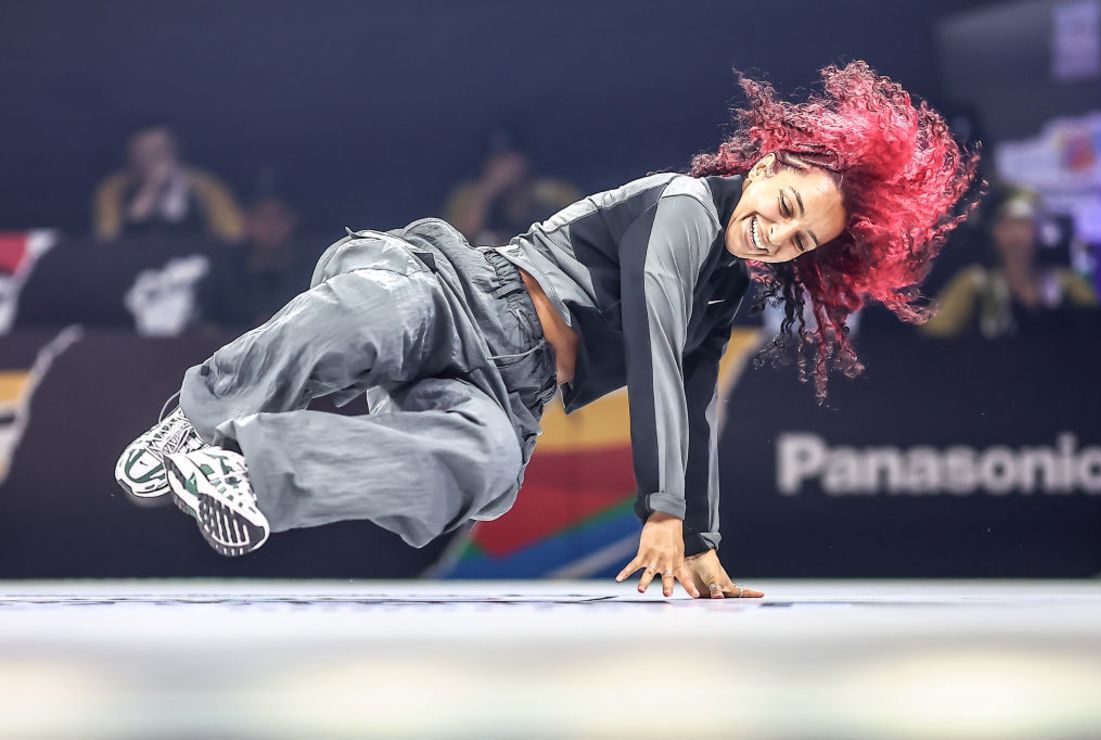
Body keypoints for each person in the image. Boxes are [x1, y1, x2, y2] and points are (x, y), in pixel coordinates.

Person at [114, 61, 980, 599]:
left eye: (799, 241)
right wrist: (663, 512)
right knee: (372, 314)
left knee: (489, 469)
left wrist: (705, 541)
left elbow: (691, 397)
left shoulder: (726, 288)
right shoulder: (682, 206)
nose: (777, 236)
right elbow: (647, 340)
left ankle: (244, 478)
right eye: (785, 208)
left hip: (506, 389)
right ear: (769, 163)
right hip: (454, 290)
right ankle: (197, 418)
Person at [922, 189, 1098, 339]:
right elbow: (934, 334)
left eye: (1024, 225)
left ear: (1042, 232)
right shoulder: (974, 285)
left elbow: (1100, 331)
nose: (1016, 235)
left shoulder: (1067, 285)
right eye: (1008, 225)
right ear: (994, 232)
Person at [92, 123, 244, 243]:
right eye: (145, 154)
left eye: (161, 151)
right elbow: (106, 241)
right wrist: (148, 194)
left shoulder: (205, 187)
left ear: (176, 151)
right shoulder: (114, 189)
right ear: (131, 159)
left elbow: (234, 235)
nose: (156, 160)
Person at [443, 127, 581, 245]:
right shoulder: (470, 195)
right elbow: (457, 243)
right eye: (496, 160)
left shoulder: (553, 192)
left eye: (510, 159)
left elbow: (581, 230)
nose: (504, 167)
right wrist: (488, 190)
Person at [198, 195, 316, 330]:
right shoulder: (225, 268)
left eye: (279, 218)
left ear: (293, 220)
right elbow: (207, 322)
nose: (271, 226)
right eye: (262, 218)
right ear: (247, 221)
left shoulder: (311, 268)